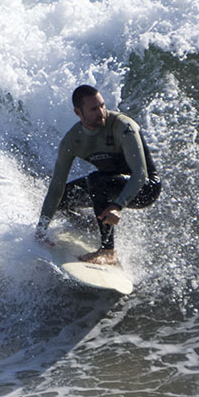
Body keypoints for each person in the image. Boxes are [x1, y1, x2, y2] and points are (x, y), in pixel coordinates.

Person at [35, 84, 161, 265]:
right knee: (62, 199)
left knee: (97, 180)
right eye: (94, 109)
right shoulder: (73, 140)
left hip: (145, 188)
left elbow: (140, 175)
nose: (101, 112)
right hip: (108, 184)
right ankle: (91, 226)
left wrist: (117, 206)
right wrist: (41, 228)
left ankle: (108, 250)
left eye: (102, 105)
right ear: (78, 113)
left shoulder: (123, 127)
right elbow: (56, 187)